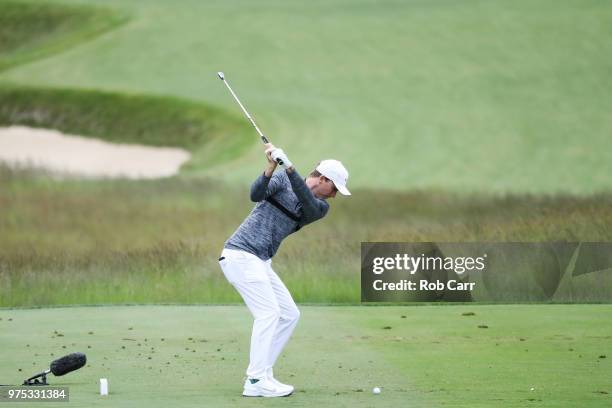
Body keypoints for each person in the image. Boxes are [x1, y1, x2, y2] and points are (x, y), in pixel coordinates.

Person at [218, 143, 350, 397]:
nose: (334, 195)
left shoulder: (320, 207)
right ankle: (255, 381)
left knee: (289, 314)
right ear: (323, 179)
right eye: (334, 188)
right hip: (241, 254)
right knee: (269, 313)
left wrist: (289, 167)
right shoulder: (281, 181)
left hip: (260, 260)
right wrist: (270, 167)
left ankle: (263, 373)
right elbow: (255, 195)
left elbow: (307, 204)